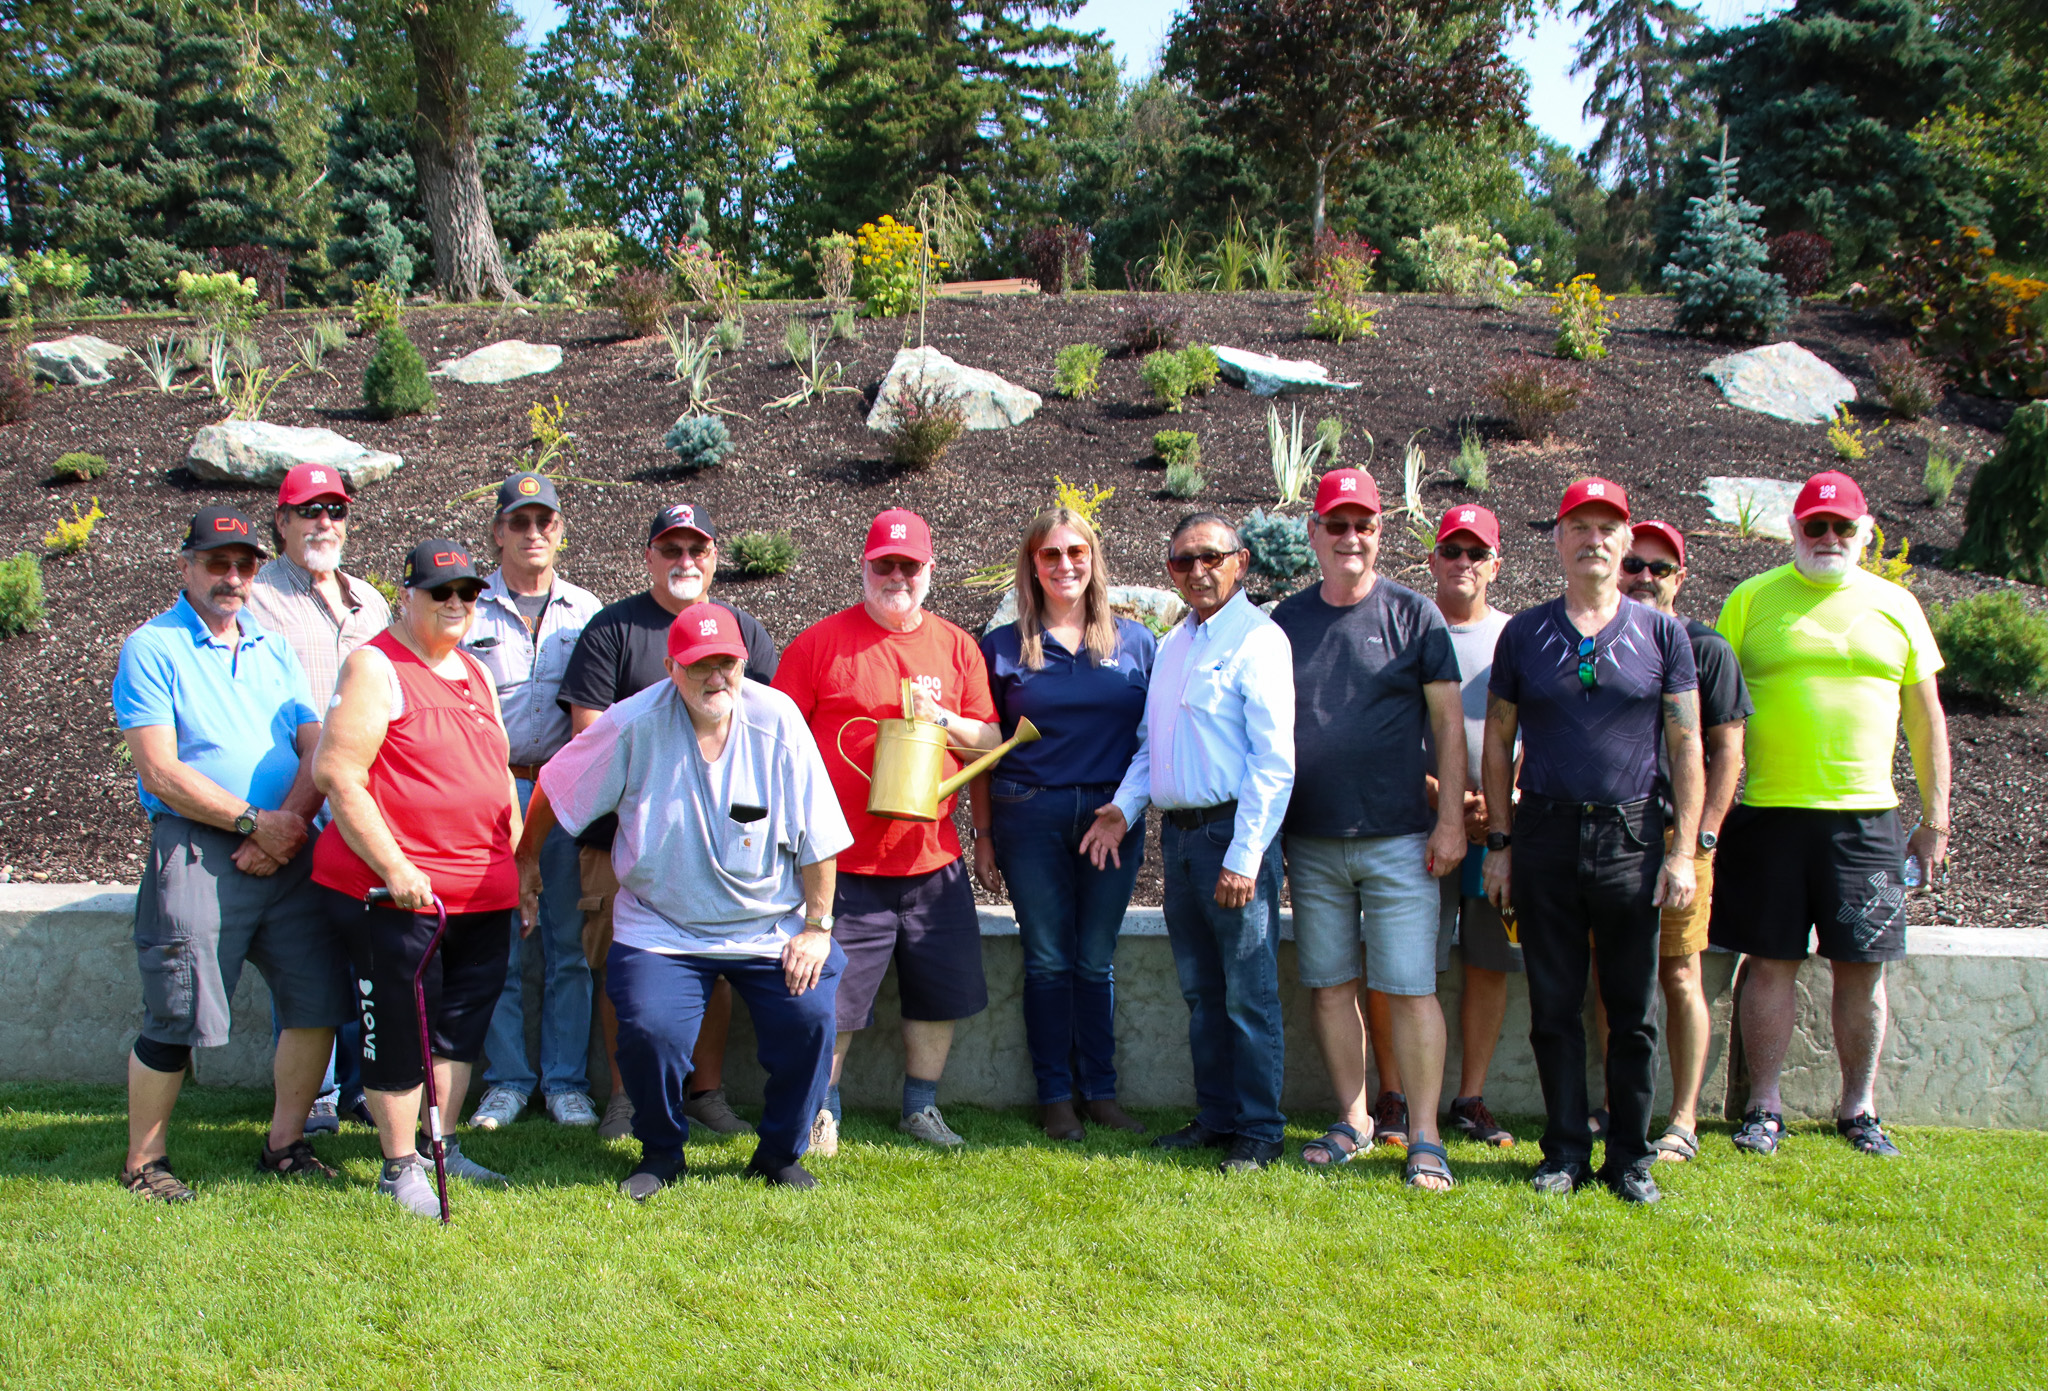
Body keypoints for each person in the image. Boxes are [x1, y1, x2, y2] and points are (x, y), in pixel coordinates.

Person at [524, 604, 853, 1195]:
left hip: (768, 925)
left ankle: (779, 1152)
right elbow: (555, 783)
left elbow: (820, 835)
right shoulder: (633, 723)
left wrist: (818, 927)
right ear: (672, 667)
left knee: (811, 1016)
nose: (715, 677)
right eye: (699, 665)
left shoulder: (777, 719)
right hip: (661, 925)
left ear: (742, 663)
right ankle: (660, 1152)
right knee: (650, 1029)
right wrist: (525, 861)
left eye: (725, 662)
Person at [1710, 470, 1948, 1161]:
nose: (1829, 538)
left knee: (1862, 969)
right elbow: (1717, 713)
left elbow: (1927, 719)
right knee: (1770, 962)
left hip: (1867, 820)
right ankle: (1764, 1105)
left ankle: (1859, 1107)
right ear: (1794, 529)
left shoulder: (1897, 605)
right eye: (1816, 525)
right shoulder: (1750, 601)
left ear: (1865, 532)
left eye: (1844, 527)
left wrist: (1936, 820)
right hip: (1768, 814)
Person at [111, 507, 348, 1201]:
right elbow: (160, 771)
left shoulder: (272, 647)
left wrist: (291, 823)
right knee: (176, 1010)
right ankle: (143, 1162)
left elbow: (315, 745)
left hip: (288, 846)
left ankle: (285, 1143)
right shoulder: (152, 647)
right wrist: (254, 822)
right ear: (185, 565)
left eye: (244, 564)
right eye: (217, 562)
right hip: (197, 847)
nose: (233, 576)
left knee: (315, 1000)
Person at [1481, 478, 1704, 1204]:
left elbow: (1687, 741)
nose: (1595, 539)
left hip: (1631, 835)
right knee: (1553, 1003)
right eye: (1580, 525)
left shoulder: (1662, 634)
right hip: (1544, 831)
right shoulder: (1525, 634)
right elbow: (1499, 740)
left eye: (1609, 527)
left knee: (1631, 1009)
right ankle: (1566, 1151)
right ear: (1559, 537)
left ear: (1626, 538)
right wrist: (1501, 842)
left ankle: (1630, 1156)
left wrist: (1679, 852)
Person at [773, 508, 1001, 1152]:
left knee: (939, 990)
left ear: (929, 571)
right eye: (885, 565)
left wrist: (944, 719)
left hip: (933, 860)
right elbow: (780, 741)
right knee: (834, 998)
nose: (896, 576)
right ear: (865, 567)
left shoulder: (956, 646)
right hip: (842, 862)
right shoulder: (819, 645)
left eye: (909, 565)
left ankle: (920, 1109)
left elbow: (989, 740)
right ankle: (825, 1109)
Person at [1269, 470, 1467, 1189]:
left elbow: (1447, 725)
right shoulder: (1285, 624)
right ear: (1315, 534)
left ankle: (1425, 1135)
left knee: (1412, 986)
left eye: (1365, 525)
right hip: (1312, 838)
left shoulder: (1416, 617)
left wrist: (1450, 822)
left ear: (1380, 533)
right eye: (1337, 524)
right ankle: (1352, 1117)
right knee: (1328, 983)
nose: (1352, 537)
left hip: (1399, 840)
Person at [312, 541, 521, 1218]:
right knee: (401, 1029)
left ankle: (443, 1146)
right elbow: (338, 774)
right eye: (441, 593)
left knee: (461, 1029)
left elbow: (499, 773)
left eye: (467, 593)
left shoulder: (476, 672)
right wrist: (396, 866)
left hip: (481, 893)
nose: (456, 604)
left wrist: (515, 863)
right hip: (397, 894)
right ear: (407, 595)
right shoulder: (376, 664)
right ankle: (399, 1164)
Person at [1083, 513, 1295, 1174]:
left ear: (1241, 560)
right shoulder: (1175, 644)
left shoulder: (1259, 641)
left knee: (1247, 992)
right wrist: (1123, 808)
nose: (1197, 570)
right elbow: (1155, 748)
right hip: (1178, 842)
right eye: (1182, 561)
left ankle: (1260, 1129)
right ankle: (1218, 1117)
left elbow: (1274, 762)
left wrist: (1245, 854)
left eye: (1210, 556)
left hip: (1232, 838)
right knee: (1203, 991)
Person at [558, 503, 777, 1141]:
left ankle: (705, 1091)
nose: (685, 561)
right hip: (624, 842)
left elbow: (763, 730)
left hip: (722, 846)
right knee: (625, 966)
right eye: (670, 550)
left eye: (697, 550)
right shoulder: (613, 629)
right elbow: (588, 739)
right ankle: (627, 1098)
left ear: (714, 557)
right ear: (649, 556)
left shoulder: (745, 632)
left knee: (715, 960)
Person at [971, 508, 1154, 1142]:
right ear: (1033, 566)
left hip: (1112, 817)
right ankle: (1055, 1096)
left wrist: (1125, 811)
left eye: (1076, 552)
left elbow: (1152, 741)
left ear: (1094, 559)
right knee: (1047, 959)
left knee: (1095, 960)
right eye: (1050, 555)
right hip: (1030, 813)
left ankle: (1099, 1092)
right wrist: (986, 835)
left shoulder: (1136, 641)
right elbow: (984, 752)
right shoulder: (1000, 648)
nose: (1065, 565)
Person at [1590, 519, 1751, 1163]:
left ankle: (1682, 1118)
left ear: (1680, 578)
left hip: (1677, 837)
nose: (1645, 578)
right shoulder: (1599, 642)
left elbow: (1725, 751)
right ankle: (1612, 1105)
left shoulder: (1707, 650)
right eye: (1636, 566)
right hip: (1609, 833)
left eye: (1660, 568)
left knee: (1680, 974)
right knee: (1610, 977)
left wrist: (1699, 839)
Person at [246, 462, 391, 1135]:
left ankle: (364, 1085)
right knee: (304, 949)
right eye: (308, 511)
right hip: (297, 797)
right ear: (281, 521)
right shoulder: (257, 597)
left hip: (364, 798)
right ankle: (319, 1095)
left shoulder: (372, 601)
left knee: (367, 945)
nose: (323, 522)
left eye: (334, 510)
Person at [463, 474, 603, 1132]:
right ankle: (508, 1080)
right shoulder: (469, 606)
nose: (533, 533)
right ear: (498, 531)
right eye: (519, 522)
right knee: (503, 943)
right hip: (491, 789)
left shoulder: (586, 609)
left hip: (567, 789)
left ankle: (566, 1081)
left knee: (567, 941)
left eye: (544, 521)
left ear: (559, 528)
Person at [1423, 504, 1520, 1151]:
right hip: (1422, 826)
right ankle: (1403, 1097)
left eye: (1475, 552)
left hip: (1498, 834)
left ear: (1495, 564)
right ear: (1432, 559)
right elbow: (1387, 730)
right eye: (1451, 551)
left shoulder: (1518, 636)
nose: (1463, 563)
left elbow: (1538, 730)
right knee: (1412, 965)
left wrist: (1503, 800)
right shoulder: (1411, 626)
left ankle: (1470, 1097)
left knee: (1490, 962)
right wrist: (1441, 799)